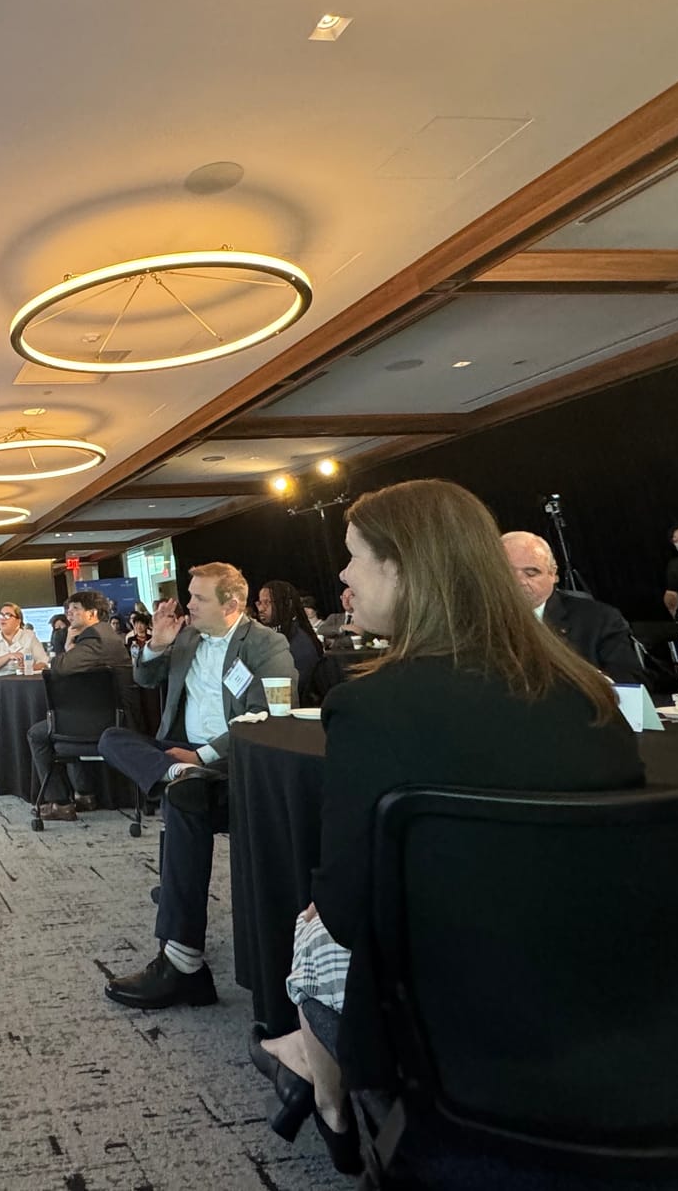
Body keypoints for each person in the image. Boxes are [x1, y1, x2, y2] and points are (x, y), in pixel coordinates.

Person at [257, 480, 641, 1170]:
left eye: (353, 556)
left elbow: (347, 912)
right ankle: (313, 1072)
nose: (343, 576)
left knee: (312, 924)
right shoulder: (590, 694)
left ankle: (327, 1090)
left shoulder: (372, 709)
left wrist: (324, 904)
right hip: (615, 989)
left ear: (403, 566)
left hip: (453, 1007)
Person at [100, 564, 294, 1009]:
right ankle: (173, 774)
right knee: (110, 738)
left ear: (232, 605)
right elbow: (144, 680)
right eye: (190, 596)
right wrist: (156, 644)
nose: (188, 605)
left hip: (231, 763)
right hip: (178, 755)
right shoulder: (186, 637)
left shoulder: (266, 645)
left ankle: (181, 962)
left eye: (199, 598)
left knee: (185, 797)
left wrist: (202, 757)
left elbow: (269, 716)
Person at [502, 531, 644, 689]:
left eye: (531, 573)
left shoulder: (599, 619)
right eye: (507, 572)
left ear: (553, 574)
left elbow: (628, 681)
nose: (519, 581)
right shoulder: (481, 621)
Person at [32, 589, 127, 821]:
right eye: (68, 609)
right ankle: (84, 794)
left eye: (75, 609)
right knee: (67, 722)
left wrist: (66, 644)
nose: (69, 613)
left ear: (92, 613)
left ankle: (60, 802)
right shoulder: (107, 635)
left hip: (103, 722)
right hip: (109, 714)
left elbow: (60, 667)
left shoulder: (94, 639)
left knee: (38, 734)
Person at [0, 603, 47, 727]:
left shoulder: (29, 636)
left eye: (7, 615)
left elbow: (43, 661)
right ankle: (2, 734)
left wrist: (29, 667)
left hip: (22, 683)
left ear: (18, 620)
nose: (2, 618)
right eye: (1, 615)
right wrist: (8, 656)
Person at [259, 579, 323, 695]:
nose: (261, 609)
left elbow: (292, 688)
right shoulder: (272, 635)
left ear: (286, 604)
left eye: (267, 603)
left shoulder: (299, 642)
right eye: (260, 603)